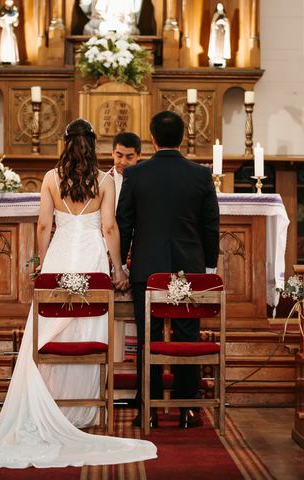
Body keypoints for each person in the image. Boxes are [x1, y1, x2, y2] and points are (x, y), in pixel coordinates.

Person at [0, 119, 156, 468]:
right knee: (85, 329)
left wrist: (42, 263)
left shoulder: (51, 178)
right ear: (94, 144)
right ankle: (81, 410)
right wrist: (118, 266)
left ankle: (51, 402)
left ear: (65, 144)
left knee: (51, 328)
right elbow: (109, 226)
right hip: (90, 256)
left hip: (60, 254)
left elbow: (43, 224)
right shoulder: (104, 181)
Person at [117, 111, 220, 428]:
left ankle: (147, 408)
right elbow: (210, 224)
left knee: (146, 337)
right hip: (188, 267)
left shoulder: (136, 175)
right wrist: (209, 266)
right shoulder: (200, 175)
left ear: (151, 139)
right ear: (183, 136)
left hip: (147, 268)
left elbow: (125, 222)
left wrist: (122, 262)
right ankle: (187, 409)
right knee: (186, 336)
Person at [108, 131, 141, 206]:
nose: (123, 162)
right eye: (119, 156)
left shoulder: (145, 180)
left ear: (139, 155)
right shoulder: (102, 181)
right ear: (113, 153)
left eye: (129, 157)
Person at [208, 3, 231, 67]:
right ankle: (215, 58)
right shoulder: (215, 15)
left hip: (222, 35)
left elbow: (227, 25)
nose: (220, 7)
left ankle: (222, 57)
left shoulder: (224, 15)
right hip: (216, 34)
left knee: (222, 46)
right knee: (216, 46)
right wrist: (216, 24)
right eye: (218, 6)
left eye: (221, 6)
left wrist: (224, 22)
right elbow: (212, 23)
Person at [0, 0, 19, 65]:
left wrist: (15, 19)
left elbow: (16, 23)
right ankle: (5, 59)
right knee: (5, 43)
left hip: (11, 30)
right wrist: (6, 18)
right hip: (5, 30)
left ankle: (12, 59)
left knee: (11, 43)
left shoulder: (14, 11)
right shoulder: (2, 11)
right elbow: (0, 20)